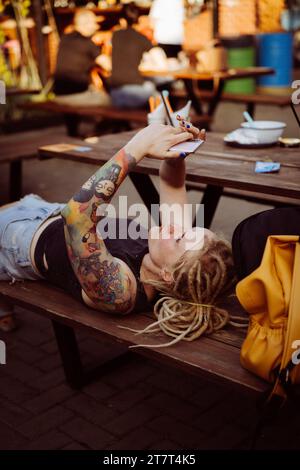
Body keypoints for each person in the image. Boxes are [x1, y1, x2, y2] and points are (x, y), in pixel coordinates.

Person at [0, 120, 235, 342]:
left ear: (168, 275)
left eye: (181, 238)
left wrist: (138, 146)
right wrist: (177, 153)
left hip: (16, 240)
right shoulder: (170, 257)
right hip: (45, 213)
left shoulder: (120, 292)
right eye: (192, 228)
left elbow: (76, 216)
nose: (178, 228)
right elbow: (173, 183)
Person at [53, 9, 110, 134]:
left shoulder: (65, 38)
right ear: (86, 24)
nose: (96, 27)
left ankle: (74, 131)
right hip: (74, 96)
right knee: (111, 100)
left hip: (58, 94)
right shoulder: (87, 43)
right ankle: (103, 130)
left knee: (91, 90)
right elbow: (108, 66)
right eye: (94, 23)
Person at [109, 2, 156, 108]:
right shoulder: (141, 38)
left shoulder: (115, 36)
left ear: (121, 20)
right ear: (138, 20)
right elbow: (157, 56)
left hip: (114, 94)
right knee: (156, 92)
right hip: (135, 92)